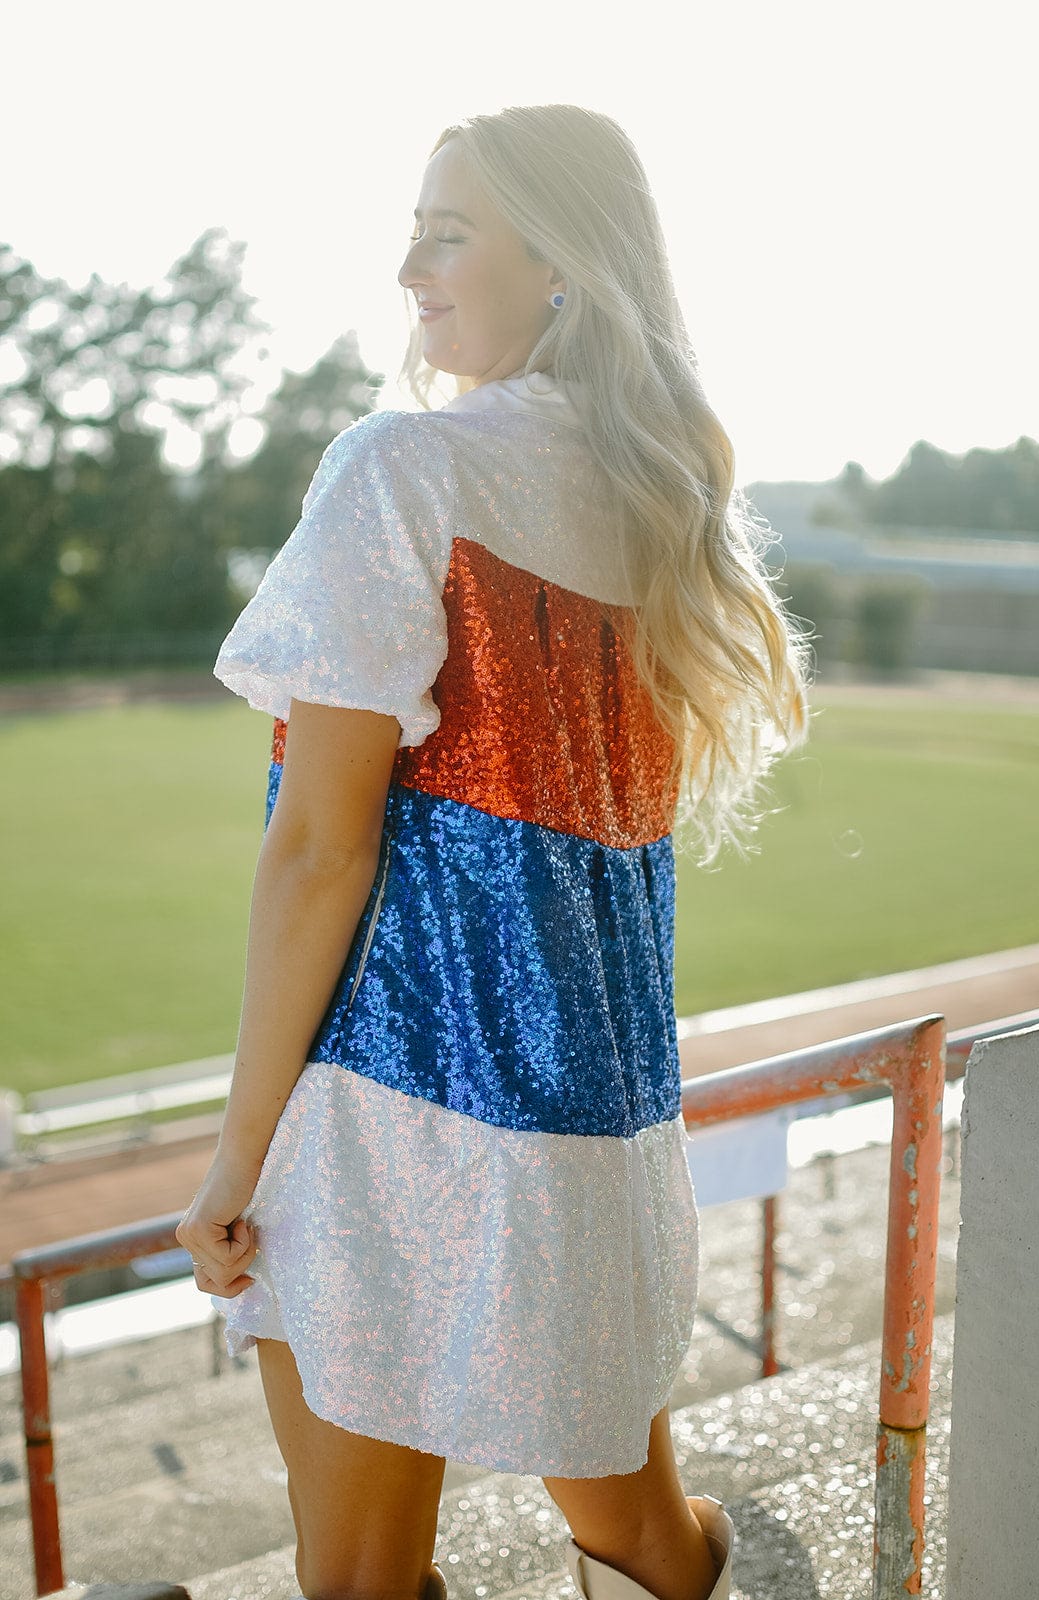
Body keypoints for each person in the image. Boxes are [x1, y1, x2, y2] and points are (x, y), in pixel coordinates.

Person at [177, 103, 812, 1600]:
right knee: (645, 1540)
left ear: (567, 267)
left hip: (389, 1120)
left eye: (447, 230)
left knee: (358, 1579)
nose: (410, 267)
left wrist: (235, 1151)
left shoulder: (401, 470)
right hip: (597, 1132)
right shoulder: (670, 512)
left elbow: (320, 854)